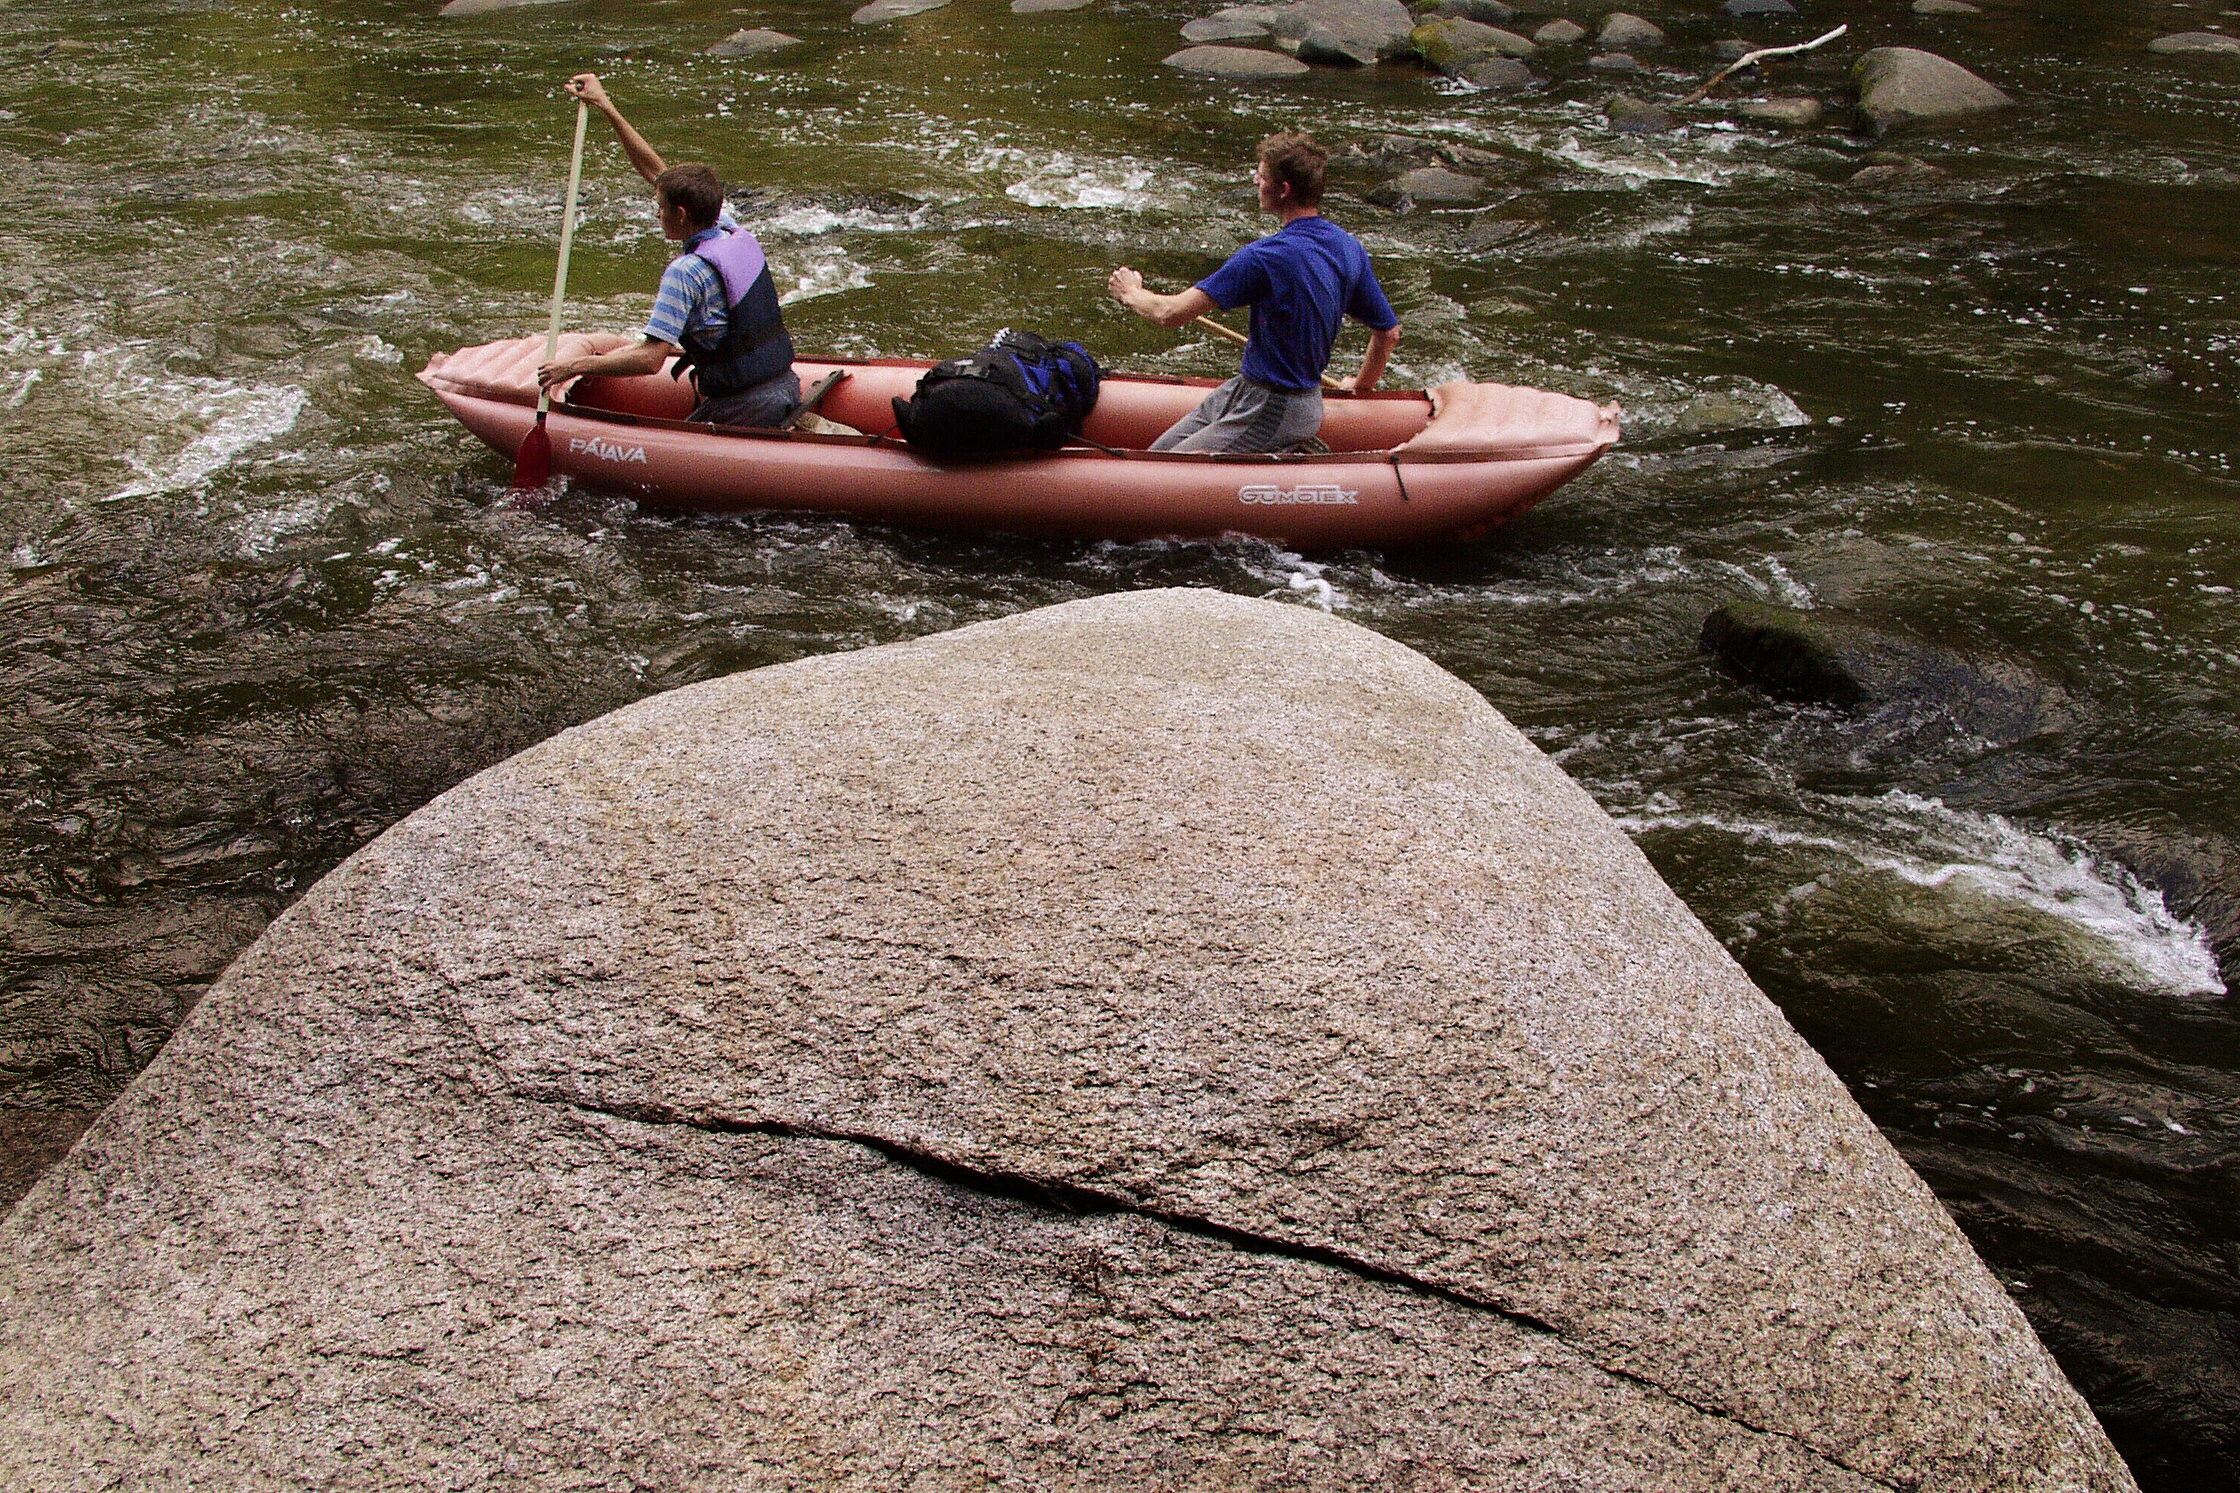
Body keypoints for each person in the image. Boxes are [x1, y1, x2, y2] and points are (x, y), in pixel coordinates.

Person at [1107, 132, 1400, 454]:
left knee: (1165, 474)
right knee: (1154, 458)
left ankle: (1290, 450)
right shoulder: (1348, 248)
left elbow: (1170, 314)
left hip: (1276, 408)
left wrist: (1130, 292)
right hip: (1249, 390)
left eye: (1261, 175)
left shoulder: (1265, 257)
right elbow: (1388, 334)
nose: (1255, 181)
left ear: (1283, 189)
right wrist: (1360, 387)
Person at [535, 74, 798, 428]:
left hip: (747, 405)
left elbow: (650, 359)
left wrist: (572, 367)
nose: (656, 213)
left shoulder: (685, 272)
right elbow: (657, 173)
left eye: (660, 207)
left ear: (681, 214)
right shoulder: (728, 229)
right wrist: (604, 105)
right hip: (784, 385)